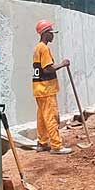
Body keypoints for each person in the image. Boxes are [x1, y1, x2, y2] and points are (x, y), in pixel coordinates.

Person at [32, 20, 72, 155]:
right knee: (51, 117)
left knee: (42, 118)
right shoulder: (44, 48)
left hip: (39, 89)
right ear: (45, 33)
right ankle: (56, 145)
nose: (53, 36)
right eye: (51, 33)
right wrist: (62, 64)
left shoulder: (37, 48)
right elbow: (47, 68)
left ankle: (42, 143)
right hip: (46, 89)